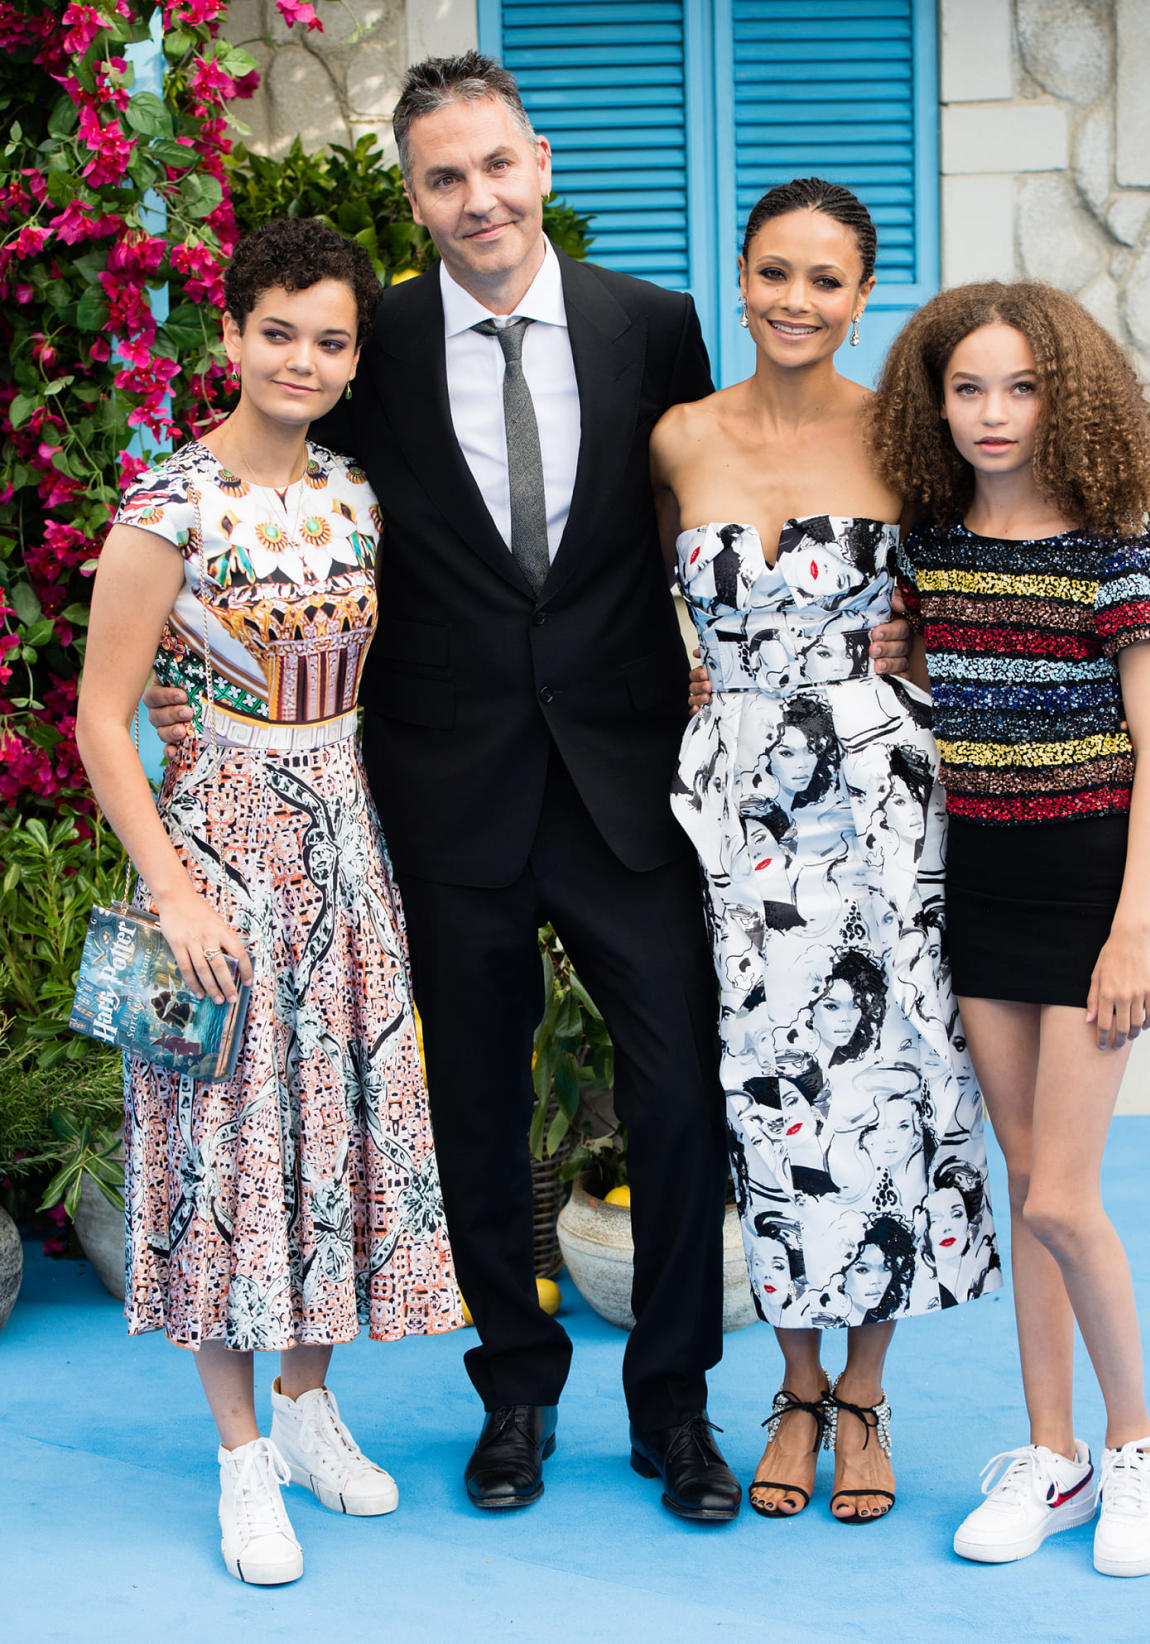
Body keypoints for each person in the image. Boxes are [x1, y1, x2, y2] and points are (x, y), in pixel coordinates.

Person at [143, 49, 911, 1522]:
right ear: (415, 196)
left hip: (629, 781)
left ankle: (674, 1405)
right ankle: (514, 1391)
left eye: (496, 166)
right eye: (443, 177)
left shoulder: (655, 326)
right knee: (475, 1114)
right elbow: (297, 529)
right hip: (448, 792)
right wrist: (197, 676)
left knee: (677, 1097)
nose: (477, 198)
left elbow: (720, 503)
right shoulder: (374, 345)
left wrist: (891, 617)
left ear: (541, 164)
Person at [75, 219, 461, 1586]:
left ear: (355, 361)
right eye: (278, 330)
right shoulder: (163, 509)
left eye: (331, 338)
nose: (302, 357)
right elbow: (104, 722)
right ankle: (240, 1456)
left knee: (342, 1135)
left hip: (347, 856)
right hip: (220, 865)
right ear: (230, 338)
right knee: (225, 1158)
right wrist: (176, 894)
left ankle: (306, 1405)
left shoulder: (359, 499)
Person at [651, 179, 1000, 1525]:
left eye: (826, 280)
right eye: (774, 274)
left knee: (891, 1076)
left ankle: (862, 1394)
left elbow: (970, 593)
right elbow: (628, 606)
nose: (797, 301)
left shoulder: (910, 442)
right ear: (739, 278)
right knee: (762, 1085)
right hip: (737, 803)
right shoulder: (675, 438)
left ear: (864, 297)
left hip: (882, 797)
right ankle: (791, 1388)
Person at [871, 280, 1150, 1577]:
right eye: (967, 389)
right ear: (934, 403)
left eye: (1019, 387)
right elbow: (976, 687)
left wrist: (1129, 935)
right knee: (1020, 1174)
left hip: (1090, 880)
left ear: (1064, 395)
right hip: (982, 874)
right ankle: (1047, 1452)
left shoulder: (1113, 543)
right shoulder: (931, 543)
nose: (992, 414)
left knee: (1063, 1194)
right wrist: (909, 660)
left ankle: (1134, 1449)